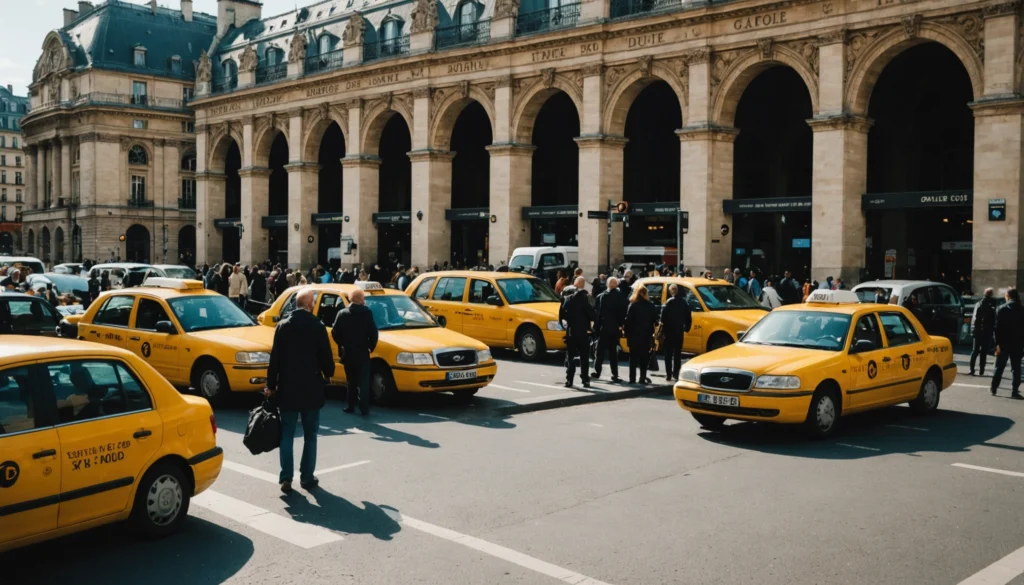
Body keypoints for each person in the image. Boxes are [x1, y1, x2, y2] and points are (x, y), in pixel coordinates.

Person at [265, 288, 336, 493]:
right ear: (308, 304)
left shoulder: (283, 326)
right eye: (313, 302)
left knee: (287, 433)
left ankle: (286, 476)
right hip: (312, 388)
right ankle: (306, 477)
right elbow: (327, 359)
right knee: (310, 434)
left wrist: (270, 385)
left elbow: (275, 359)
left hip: (287, 387)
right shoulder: (317, 326)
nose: (314, 305)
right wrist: (328, 373)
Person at [332, 288, 379, 414]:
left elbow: (334, 332)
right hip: (363, 351)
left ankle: (351, 406)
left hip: (348, 352)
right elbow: (374, 333)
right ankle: (364, 408)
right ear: (360, 299)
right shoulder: (367, 313)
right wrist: (370, 347)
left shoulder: (342, 313)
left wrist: (342, 343)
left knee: (351, 381)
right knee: (364, 381)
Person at [559, 276, 596, 388]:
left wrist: (565, 326)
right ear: (583, 286)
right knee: (584, 357)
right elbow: (593, 315)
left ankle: (569, 380)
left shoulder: (568, 298)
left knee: (571, 357)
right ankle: (585, 379)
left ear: (575, 285)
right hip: (583, 332)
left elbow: (562, 315)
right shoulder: (585, 299)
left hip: (571, 332)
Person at [592, 276, 627, 382]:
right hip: (614, 328)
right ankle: (615, 374)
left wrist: (595, 328)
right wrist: (621, 325)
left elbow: (596, 314)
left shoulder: (600, 296)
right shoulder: (620, 297)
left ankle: (597, 371)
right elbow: (623, 312)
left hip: (603, 328)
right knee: (613, 353)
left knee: (600, 352)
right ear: (616, 285)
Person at [990, 288, 1024, 399]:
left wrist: (997, 344)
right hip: (1017, 344)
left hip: (1003, 343)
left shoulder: (1001, 309)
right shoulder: (1022, 309)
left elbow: (996, 328)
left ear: (1008, 296)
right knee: (1016, 368)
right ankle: (1014, 391)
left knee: (999, 367)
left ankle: (994, 388)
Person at [625, 285, 659, 385]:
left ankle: (632, 379)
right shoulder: (650, 306)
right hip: (646, 336)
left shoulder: (633, 305)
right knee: (643, 358)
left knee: (633, 358)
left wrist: (627, 334)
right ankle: (642, 378)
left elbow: (628, 321)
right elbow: (655, 321)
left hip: (633, 336)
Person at [660, 284, 692, 382]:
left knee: (668, 354)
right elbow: (688, 317)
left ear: (671, 291)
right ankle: (676, 374)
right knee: (677, 354)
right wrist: (686, 328)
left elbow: (663, 317)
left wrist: (662, 330)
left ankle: (668, 374)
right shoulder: (684, 302)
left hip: (669, 331)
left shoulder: (669, 302)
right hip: (678, 331)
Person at [970, 288, 997, 377]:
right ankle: (981, 370)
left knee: (975, 351)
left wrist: (973, 330)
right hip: (987, 331)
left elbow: (974, 318)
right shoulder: (993, 304)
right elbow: (994, 320)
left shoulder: (978, 303)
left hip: (977, 331)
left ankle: (972, 369)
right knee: (983, 353)